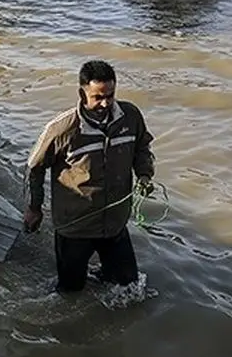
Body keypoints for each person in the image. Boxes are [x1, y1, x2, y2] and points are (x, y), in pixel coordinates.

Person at [23, 60, 155, 294]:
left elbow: (142, 147)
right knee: (70, 293)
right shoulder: (62, 130)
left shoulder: (130, 117)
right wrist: (34, 208)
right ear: (82, 94)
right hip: (75, 227)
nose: (105, 103)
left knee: (130, 288)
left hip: (114, 224)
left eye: (110, 96)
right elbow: (34, 167)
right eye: (97, 97)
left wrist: (144, 174)